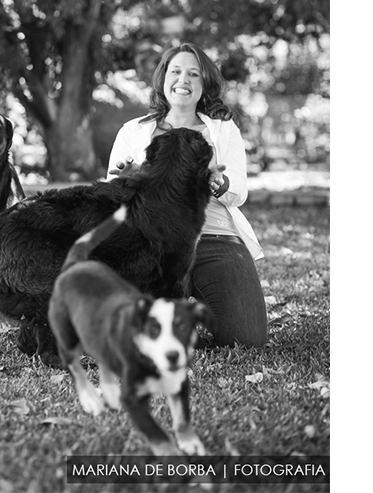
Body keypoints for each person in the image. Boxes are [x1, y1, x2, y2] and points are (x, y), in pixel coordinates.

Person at [106, 43, 267, 348]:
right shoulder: (133, 132)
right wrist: (126, 185)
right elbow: (111, 200)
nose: (184, 79)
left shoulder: (222, 129)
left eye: (194, 74)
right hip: (151, 246)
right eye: (176, 71)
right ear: (163, 78)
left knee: (247, 339)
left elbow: (239, 190)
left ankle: (199, 300)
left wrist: (220, 183)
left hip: (213, 238)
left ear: (204, 83)